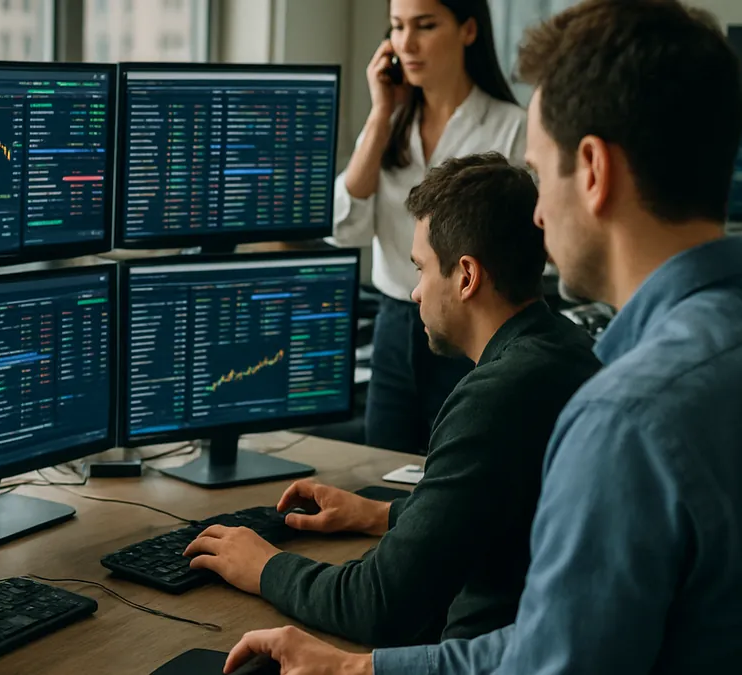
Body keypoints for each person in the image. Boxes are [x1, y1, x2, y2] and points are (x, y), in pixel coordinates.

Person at [220, 1, 742, 673]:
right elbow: (574, 632)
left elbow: (546, 664)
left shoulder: (626, 415)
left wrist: (352, 668)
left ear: (591, 170)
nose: (534, 212)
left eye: (539, 170)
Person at [184, 153, 601, 648]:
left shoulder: (495, 396)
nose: (414, 293)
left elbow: (377, 605)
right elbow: (493, 510)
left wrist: (263, 565)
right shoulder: (570, 351)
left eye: (421, 269)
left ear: (466, 276)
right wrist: (377, 513)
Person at [335, 0, 526, 453]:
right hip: (396, 326)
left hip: (473, 325)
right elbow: (345, 228)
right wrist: (381, 113)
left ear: (468, 30)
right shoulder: (389, 123)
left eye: (425, 25)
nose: (407, 43)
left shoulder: (510, 127)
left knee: (459, 470)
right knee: (379, 470)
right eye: (397, 27)